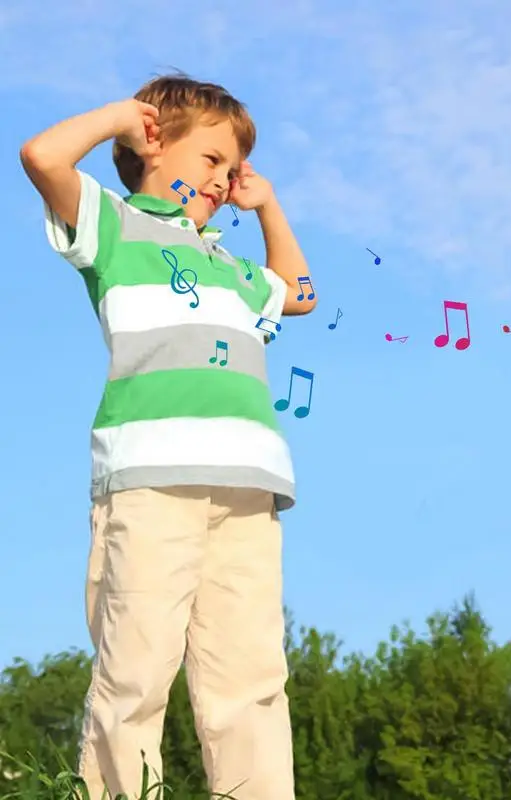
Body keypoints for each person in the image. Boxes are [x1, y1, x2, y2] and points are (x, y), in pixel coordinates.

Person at [19, 73, 316, 800]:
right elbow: (42, 156)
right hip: (151, 482)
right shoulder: (115, 227)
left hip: (248, 489)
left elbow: (301, 293)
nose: (224, 179)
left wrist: (267, 202)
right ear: (152, 144)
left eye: (234, 167)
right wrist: (122, 116)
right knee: (137, 671)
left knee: (250, 679)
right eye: (212, 160)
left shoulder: (234, 266)